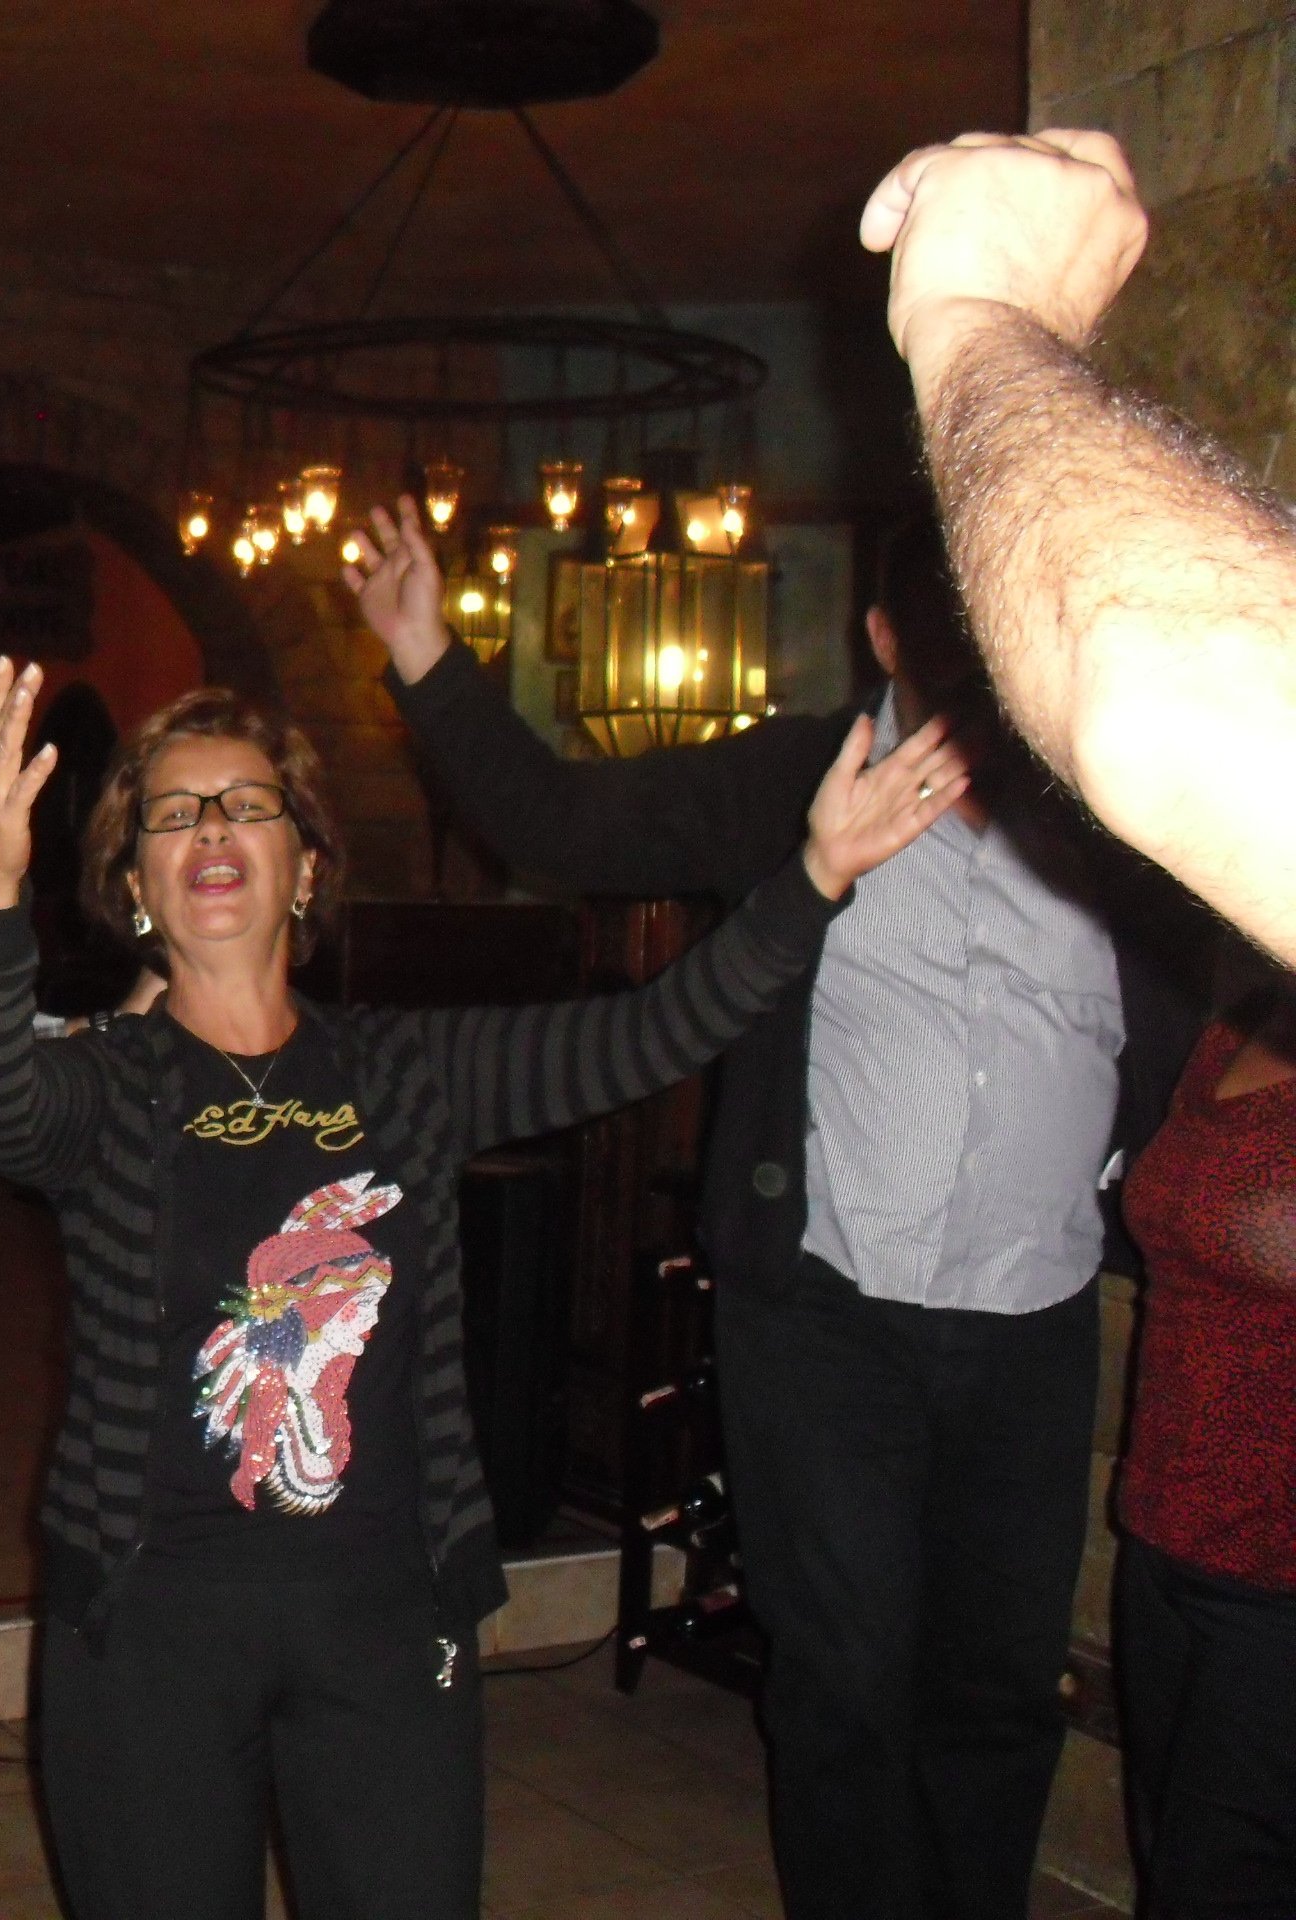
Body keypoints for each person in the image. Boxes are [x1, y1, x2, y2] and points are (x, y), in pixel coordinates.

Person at [0, 658, 959, 1920]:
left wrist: (813, 877)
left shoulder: (409, 1069)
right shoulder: (107, 1085)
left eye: (248, 805)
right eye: (174, 814)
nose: (212, 829)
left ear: (305, 868)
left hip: (385, 1615)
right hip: (151, 1629)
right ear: (136, 888)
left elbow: (658, 1028)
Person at [344, 498, 1208, 1920]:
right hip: (826, 1319)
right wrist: (429, 656)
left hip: (1035, 1321)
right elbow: (562, 820)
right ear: (884, 639)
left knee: (999, 1688)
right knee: (847, 1682)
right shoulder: (798, 778)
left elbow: (1187, 1006)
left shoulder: (1108, 811)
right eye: (949, 636)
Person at [859, 128, 1296, 972]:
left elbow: (1172, 701)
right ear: (884, 635)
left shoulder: (1056, 814)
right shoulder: (802, 781)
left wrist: (975, 314)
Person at [1111, 966, 1296, 1913]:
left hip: (1277, 1565)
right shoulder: (1235, 1028)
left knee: (1223, 1877)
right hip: (1166, 1528)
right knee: (1169, 1846)